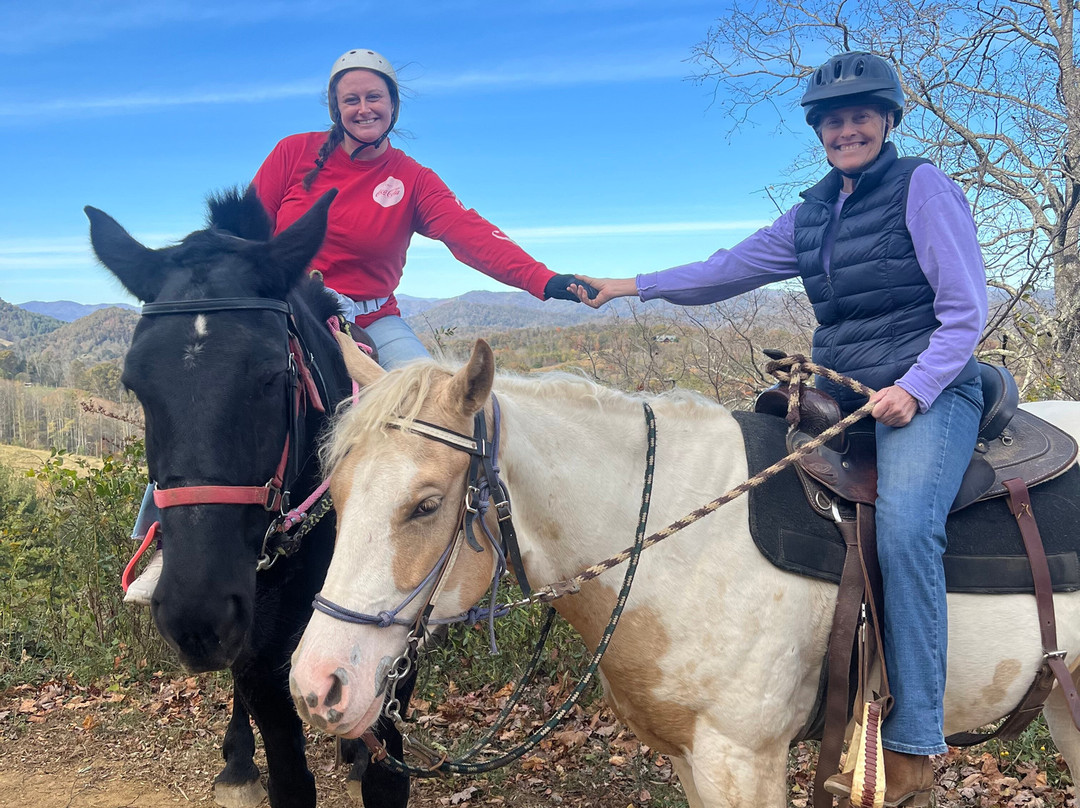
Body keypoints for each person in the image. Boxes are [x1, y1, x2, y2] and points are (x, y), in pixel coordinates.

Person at [571, 51, 987, 806]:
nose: (847, 128)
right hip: (843, 389)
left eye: (862, 115)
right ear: (818, 132)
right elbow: (727, 269)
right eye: (833, 120)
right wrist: (630, 285)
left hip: (932, 388)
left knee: (902, 530)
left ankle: (914, 737)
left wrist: (918, 388)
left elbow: (965, 310)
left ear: (889, 120)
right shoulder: (813, 212)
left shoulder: (922, 187)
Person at [124, 47, 597, 604]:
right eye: (351, 98)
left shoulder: (412, 179)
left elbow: (468, 234)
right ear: (335, 106)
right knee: (205, 396)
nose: (363, 107)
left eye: (375, 96)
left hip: (373, 317)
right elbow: (246, 233)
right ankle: (160, 541)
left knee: (442, 413)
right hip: (293, 306)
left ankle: (471, 561)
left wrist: (544, 279)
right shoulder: (292, 155)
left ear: (393, 106)